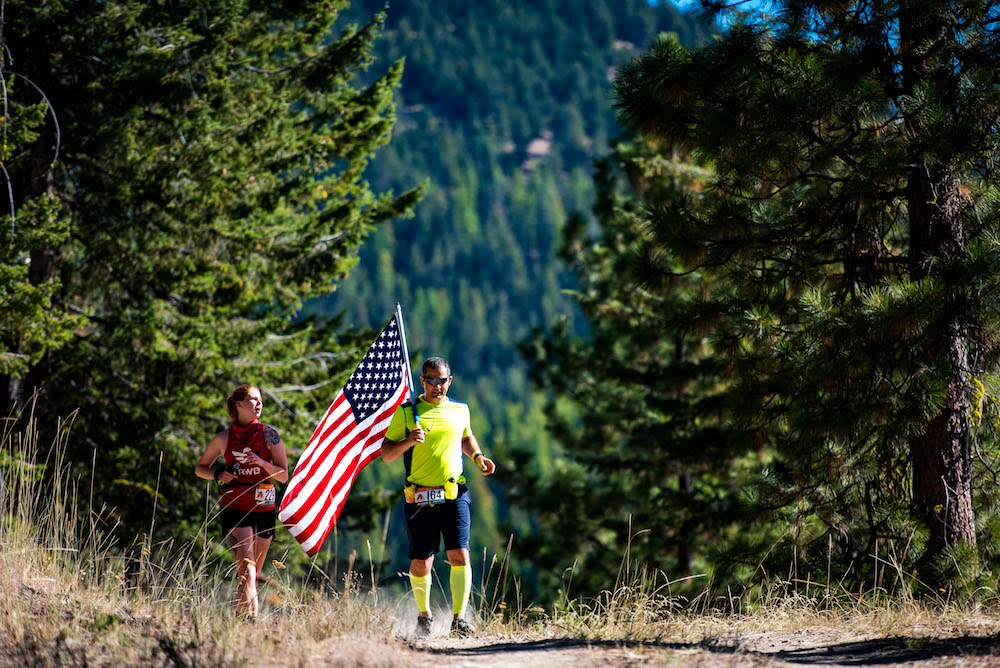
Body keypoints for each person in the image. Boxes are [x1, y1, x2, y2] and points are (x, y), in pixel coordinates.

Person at [381, 356, 496, 638]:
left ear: (449, 380)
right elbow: (386, 454)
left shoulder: (460, 410)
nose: (436, 386)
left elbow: (465, 437)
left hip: (454, 493)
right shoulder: (407, 412)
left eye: (441, 380)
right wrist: (408, 441)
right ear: (422, 381)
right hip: (420, 496)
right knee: (422, 561)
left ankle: (460, 619)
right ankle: (425, 617)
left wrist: (478, 457)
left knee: (460, 554)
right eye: (430, 380)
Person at [195, 384, 288, 619]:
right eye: (253, 400)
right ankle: (252, 621)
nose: (259, 404)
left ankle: (241, 622)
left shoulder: (270, 436)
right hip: (235, 504)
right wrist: (217, 474)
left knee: (250, 574)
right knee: (247, 567)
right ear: (238, 404)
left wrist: (261, 463)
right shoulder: (224, 438)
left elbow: (283, 475)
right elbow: (200, 468)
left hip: (265, 505)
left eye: (260, 401)